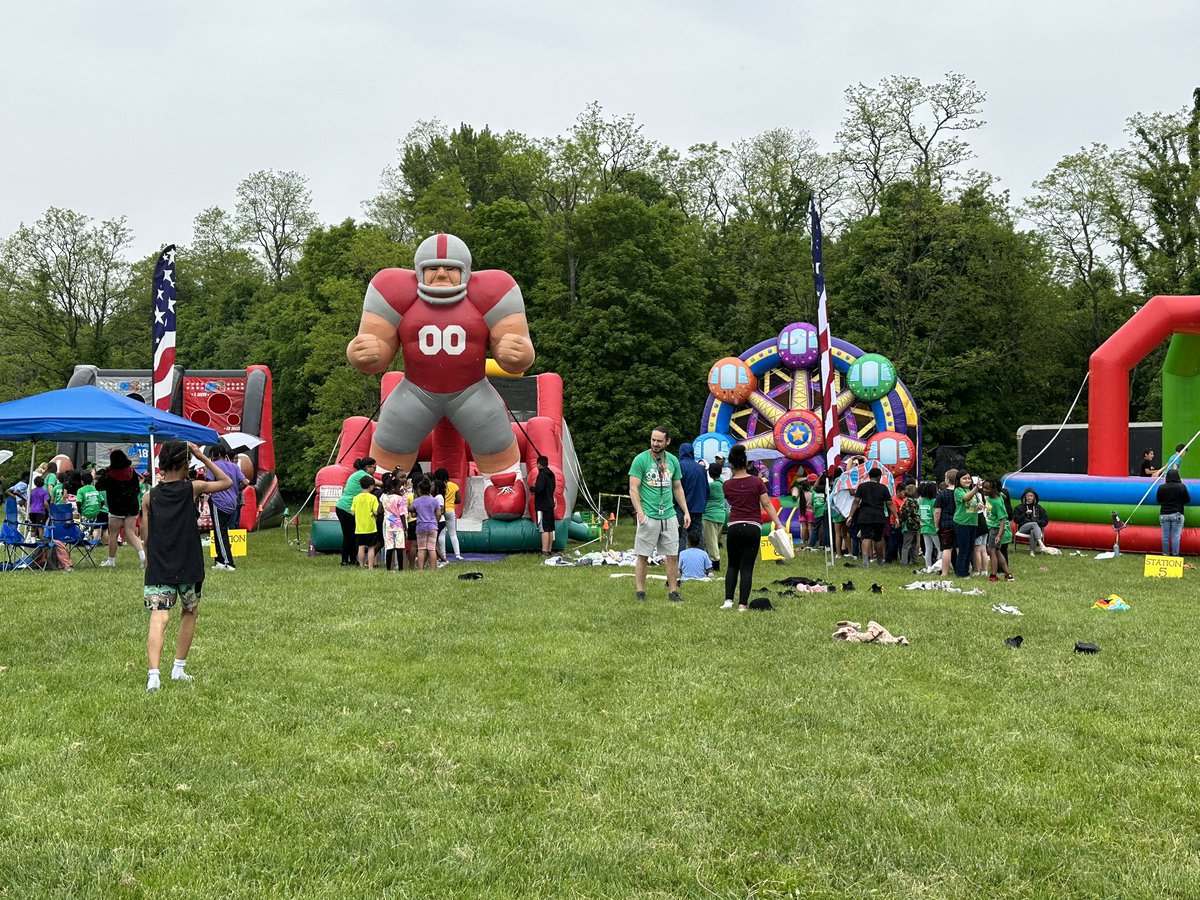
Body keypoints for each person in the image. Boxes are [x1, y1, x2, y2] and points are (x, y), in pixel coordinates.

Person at [346, 233, 535, 481]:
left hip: (472, 390)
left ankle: (504, 484)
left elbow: (515, 352)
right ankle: (382, 488)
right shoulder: (393, 291)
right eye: (432, 267)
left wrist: (515, 351)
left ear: (466, 271)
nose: (442, 274)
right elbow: (378, 349)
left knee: (494, 436)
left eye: (451, 268)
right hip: (415, 390)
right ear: (418, 271)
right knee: (391, 440)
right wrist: (364, 350)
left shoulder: (493, 291)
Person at [139, 441, 232, 692]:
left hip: (159, 565)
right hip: (188, 562)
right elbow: (227, 482)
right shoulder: (193, 488)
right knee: (189, 612)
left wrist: (148, 557)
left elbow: (146, 533)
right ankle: (178, 668)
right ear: (184, 463)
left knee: (159, 617)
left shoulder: (150, 496)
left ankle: (154, 675)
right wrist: (202, 456)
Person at [628, 426, 690, 603]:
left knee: (672, 554)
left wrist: (685, 511)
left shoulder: (672, 461)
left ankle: (673, 591)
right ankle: (640, 591)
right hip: (649, 514)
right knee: (643, 554)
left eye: (659, 441)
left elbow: (677, 487)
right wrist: (640, 512)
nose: (655, 443)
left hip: (669, 514)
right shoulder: (641, 459)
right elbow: (633, 488)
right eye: (653, 440)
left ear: (667, 441)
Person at [720, 444, 785, 611]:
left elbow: (731, 503)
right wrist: (778, 524)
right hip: (753, 527)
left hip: (734, 526)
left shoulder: (726, 485)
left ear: (731, 463)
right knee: (747, 566)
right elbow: (767, 504)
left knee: (732, 565)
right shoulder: (757, 482)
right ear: (746, 461)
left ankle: (728, 601)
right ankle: (742, 604)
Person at [97, 450, 144, 568]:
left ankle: (111, 561)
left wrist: (104, 473)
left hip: (116, 508)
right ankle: (143, 556)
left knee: (113, 534)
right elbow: (136, 489)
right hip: (132, 507)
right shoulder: (132, 472)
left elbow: (99, 486)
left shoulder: (109, 474)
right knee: (131, 533)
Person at [207, 444, 248, 572]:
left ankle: (227, 562)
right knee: (223, 532)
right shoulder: (234, 466)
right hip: (232, 503)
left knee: (220, 533)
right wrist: (235, 490)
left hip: (219, 502)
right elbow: (245, 482)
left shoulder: (213, 466)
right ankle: (219, 560)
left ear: (215, 455)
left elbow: (208, 483)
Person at [334, 458, 377, 566]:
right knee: (348, 535)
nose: (375, 470)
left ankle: (353, 559)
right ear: (368, 467)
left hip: (347, 508)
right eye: (374, 467)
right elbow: (377, 483)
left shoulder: (358, 474)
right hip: (345, 508)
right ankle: (345, 559)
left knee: (353, 535)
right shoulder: (362, 475)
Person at [849, 468, 895, 567]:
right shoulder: (883, 488)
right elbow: (889, 503)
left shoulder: (862, 487)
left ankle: (865, 562)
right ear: (879, 477)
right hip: (878, 516)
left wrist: (850, 516)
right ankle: (879, 561)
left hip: (864, 516)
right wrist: (896, 516)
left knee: (866, 537)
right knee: (878, 539)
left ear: (869, 476)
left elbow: (856, 502)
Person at [675, 442, 709, 554]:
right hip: (698, 507)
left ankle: (680, 560)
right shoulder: (702, 469)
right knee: (698, 535)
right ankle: (704, 562)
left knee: (681, 535)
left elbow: (675, 488)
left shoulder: (679, 466)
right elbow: (707, 490)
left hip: (681, 508)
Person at [952, 471, 985, 578]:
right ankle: (961, 573)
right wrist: (976, 488)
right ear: (959, 480)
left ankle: (966, 571)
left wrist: (979, 505)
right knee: (964, 549)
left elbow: (973, 505)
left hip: (973, 522)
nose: (967, 480)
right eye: (964, 478)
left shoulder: (971, 491)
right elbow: (966, 498)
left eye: (968, 478)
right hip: (962, 523)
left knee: (970, 549)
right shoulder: (958, 490)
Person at [983, 479, 1014, 582]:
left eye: (987, 488)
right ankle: (1007, 574)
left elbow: (1002, 520)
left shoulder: (997, 503)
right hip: (992, 528)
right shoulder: (996, 495)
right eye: (984, 487)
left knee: (992, 551)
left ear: (994, 490)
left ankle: (993, 575)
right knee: (997, 551)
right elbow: (1001, 493)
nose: (984, 490)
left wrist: (999, 535)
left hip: (996, 529)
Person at [1156, 470, 1190, 557]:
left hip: (1164, 514)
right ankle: (1175, 555)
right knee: (1175, 537)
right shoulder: (1181, 487)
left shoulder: (1161, 487)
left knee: (1165, 537)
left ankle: (1165, 554)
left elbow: (1159, 500)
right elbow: (1187, 500)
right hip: (1177, 514)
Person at [351, 474, 381, 569]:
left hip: (359, 527)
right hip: (371, 527)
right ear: (371, 486)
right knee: (371, 547)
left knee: (361, 546)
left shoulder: (356, 498)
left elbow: (352, 512)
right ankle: (370, 567)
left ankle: (361, 565)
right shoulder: (373, 498)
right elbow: (376, 512)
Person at [433, 468, 463, 560]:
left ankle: (443, 555)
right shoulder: (454, 485)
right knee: (453, 533)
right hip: (450, 510)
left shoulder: (437, 486)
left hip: (440, 511)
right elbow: (458, 500)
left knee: (441, 534)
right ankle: (457, 554)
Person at [702, 463, 727, 572]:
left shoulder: (711, 486)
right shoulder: (724, 483)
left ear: (710, 473)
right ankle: (711, 561)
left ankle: (715, 564)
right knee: (714, 540)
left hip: (709, 515)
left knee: (711, 541)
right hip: (721, 515)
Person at [380, 473, 408, 572]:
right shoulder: (399, 499)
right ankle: (400, 568)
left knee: (389, 547)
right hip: (399, 525)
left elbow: (380, 510)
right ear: (394, 488)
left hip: (388, 525)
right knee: (399, 547)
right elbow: (402, 514)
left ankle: (388, 568)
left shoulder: (384, 498)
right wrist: (405, 527)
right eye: (399, 486)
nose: (400, 488)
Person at [530, 455, 557, 556]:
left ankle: (544, 551)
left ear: (538, 464)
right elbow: (553, 487)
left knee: (543, 528)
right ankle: (549, 550)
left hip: (542, 504)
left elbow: (539, 488)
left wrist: (532, 488)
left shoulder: (541, 475)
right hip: (550, 503)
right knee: (550, 528)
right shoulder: (551, 474)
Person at [934, 469, 959, 577]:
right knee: (958, 548)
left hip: (945, 524)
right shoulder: (961, 493)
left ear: (948, 479)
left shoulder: (942, 494)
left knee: (946, 549)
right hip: (959, 523)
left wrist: (936, 525)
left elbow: (937, 512)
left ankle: (944, 572)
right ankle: (960, 570)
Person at [411, 479, 440, 571]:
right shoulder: (434, 500)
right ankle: (432, 569)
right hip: (432, 526)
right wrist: (436, 522)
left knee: (421, 548)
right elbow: (439, 513)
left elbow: (412, 511)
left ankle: (420, 569)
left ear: (419, 490)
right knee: (432, 548)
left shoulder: (416, 501)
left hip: (421, 526)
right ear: (430, 489)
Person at [1012, 488, 1050, 555]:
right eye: (1028, 496)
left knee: (1033, 529)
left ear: (1034, 497)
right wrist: (1025, 514)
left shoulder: (1038, 508)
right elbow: (1016, 520)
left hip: (1036, 529)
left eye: (1031, 496)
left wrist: (1037, 522)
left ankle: (1032, 552)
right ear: (1025, 497)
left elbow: (1045, 520)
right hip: (1023, 528)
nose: (1029, 497)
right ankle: (1041, 543)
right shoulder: (1019, 508)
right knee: (1034, 524)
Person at [917, 481, 939, 571]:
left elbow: (919, 514)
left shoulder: (922, 501)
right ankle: (938, 565)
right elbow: (935, 514)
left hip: (924, 527)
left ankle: (928, 566)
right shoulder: (934, 501)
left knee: (928, 549)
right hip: (932, 527)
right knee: (939, 548)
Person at [898, 482, 921, 565]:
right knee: (913, 545)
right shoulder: (916, 502)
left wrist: (899, 521)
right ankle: (915, 560)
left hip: (908, 525)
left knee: (906, 545)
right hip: (916, 525)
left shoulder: (907, 503)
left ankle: (904, 561)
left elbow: (905, 514)